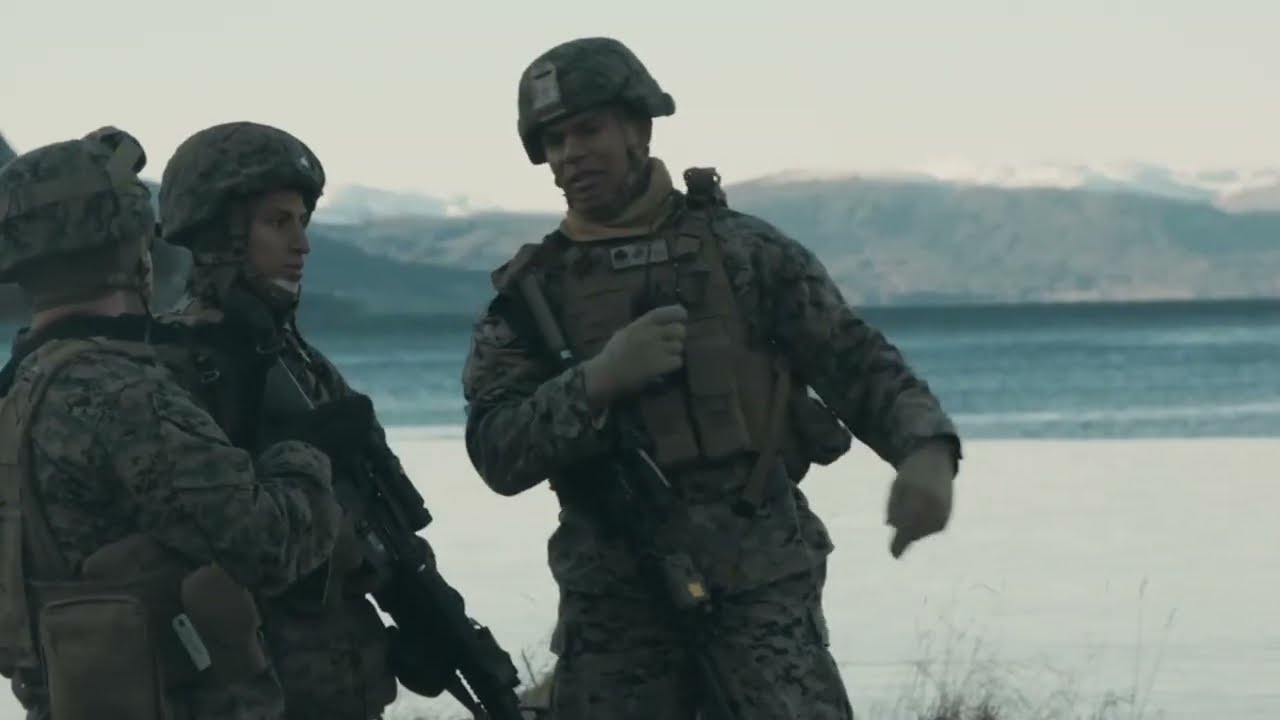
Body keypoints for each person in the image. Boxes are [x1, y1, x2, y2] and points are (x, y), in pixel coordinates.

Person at [461, 36, 963, 719]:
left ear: (638, 129)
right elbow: (497, 450)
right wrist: (597, 381)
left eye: (589, 130)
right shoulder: (533, 296)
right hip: (614, 603)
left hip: (762, 583)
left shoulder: (741, 252)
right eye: (554, 141)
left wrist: (926, 450)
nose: (571, 153)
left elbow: (855, 359)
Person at [0, 127, 344, 720]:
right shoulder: (124, 391)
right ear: (132, 245)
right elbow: (266, 545)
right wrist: (305, 450)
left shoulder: (20, 386)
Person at [154, 121, 436, 720]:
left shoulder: (297, 360)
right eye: (278, 222)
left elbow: (373, 512)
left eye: (303, 221)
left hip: (342, 687)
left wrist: (418, 608)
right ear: (221, 233)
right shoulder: (172, 368)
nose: (302, 244)